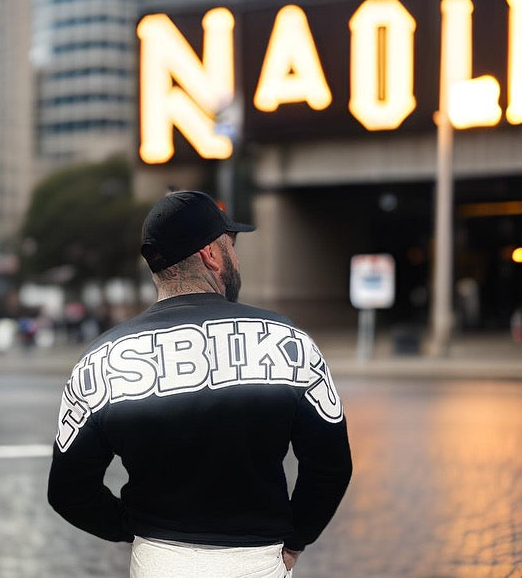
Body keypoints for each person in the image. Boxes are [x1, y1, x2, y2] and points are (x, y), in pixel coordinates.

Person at [48, 190, 352, 577]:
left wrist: (132, 526)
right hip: (257, 562)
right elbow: (330, 466)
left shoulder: (103, 358)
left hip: (159, 560)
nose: (236, 259)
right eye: (231, 246)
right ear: (211, 254)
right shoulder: (286, 341)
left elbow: (68, 490)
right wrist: (297, 538)